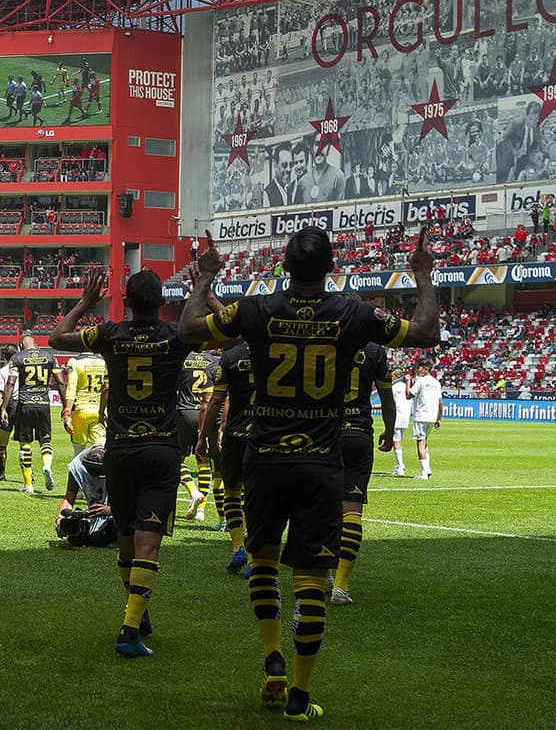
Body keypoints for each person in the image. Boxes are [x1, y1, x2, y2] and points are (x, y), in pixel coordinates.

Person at [179, 226, 438, 721]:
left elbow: (190, 329)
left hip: (264, 457)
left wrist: (206, 277)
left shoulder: (257, 309)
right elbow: (425, 332)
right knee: (311, 577)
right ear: (332, 268)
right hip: (322, 461)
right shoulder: (353, 313)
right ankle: (299, 693)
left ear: (283, 266)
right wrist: (423, 277)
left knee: (262, 560)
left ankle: (271, 656)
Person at [50, 269, 197, 658]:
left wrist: (85, 302)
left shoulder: (111, 334)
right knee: (149, 541)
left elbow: (56, 338)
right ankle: (130, 629)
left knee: (127, 539)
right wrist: (201, 288)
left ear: (126, 302)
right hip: (161, 449)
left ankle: (137, 613)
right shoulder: (175, 336)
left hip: (121, 450)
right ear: (163, 301)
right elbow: (225, 334)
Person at [330, 343, 396, 607]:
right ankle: (341, 585)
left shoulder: (327, 340)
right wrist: (390, 433)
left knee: (321, 510)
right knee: (352, 512)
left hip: (326, 434)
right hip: (358, 434)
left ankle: (322, 574)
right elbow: (387, 399)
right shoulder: (374, 351)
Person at [199, 343, 254, 574]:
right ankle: (253, 558)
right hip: (266, 434)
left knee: (232, 490)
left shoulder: (231, 356)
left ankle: (238, 547)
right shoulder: (274, 348)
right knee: (255, 496)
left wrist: (204, 435)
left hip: (236, 434)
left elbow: (218, 399)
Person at [0, 335, 62, 493]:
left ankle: (28, 484)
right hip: (43, 404)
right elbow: (60, 382)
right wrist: (66, 405)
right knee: (45, 440)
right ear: (36, 343)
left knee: (25, 443)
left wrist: (4, 408)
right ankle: (47, 466)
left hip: (25, 404)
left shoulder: (17, 357)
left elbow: (11, 383)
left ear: (21, 344)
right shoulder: (49, 356)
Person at [176, 350, 222, 525]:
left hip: (185, 413)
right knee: (203, 460)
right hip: (206, 415)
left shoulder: (184, 358)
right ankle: (201, 511)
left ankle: (193, 492)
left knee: (176, 458)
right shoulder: (214, 362)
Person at [55, 444, 116, 547]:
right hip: (101, 512)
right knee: (93, 539)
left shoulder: (120, 463)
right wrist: (60, 518)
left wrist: (110, 510)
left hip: (123, 511)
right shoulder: (77, 467)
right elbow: (69, 498)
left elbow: (135, 501)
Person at [61, 351, 107, 457]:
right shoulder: (103, 362)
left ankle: (77, 473)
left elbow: (71, 389)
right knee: (100, 451)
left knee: (78, 452)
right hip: (99, 411)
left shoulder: (74, 362)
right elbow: (107, 388)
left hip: (80, 411)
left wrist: (67, 412)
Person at [0, 344, 19, 480]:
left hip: (9, 406)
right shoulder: (23, 368)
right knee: (25, 442)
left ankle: (1, 473)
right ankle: (28, 475)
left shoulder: (2, 371)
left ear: (4, 357)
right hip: (23, 405)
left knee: (2, 444)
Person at [409, 359, 442, 480]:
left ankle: (424, 472)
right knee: (425, 442)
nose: (417, 370)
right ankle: (427, 469)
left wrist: (408, 382)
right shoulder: (436, 383)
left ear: (426, 369)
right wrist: (439, 418)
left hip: (421, 415)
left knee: (420, 443)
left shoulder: (420, 381)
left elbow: (408, 395)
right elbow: (440, 402)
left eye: (419, 367)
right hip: (432, 416)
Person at [391, 366, 412, 476]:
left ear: (397, 376)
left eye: (393, 376)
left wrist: (374, 407)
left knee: (396, 441)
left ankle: (400, 466)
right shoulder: (407, 387)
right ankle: (399, 465)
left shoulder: (393, 388)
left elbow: (390, 404)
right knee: (399, 440)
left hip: (397, 416)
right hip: (405, 417)